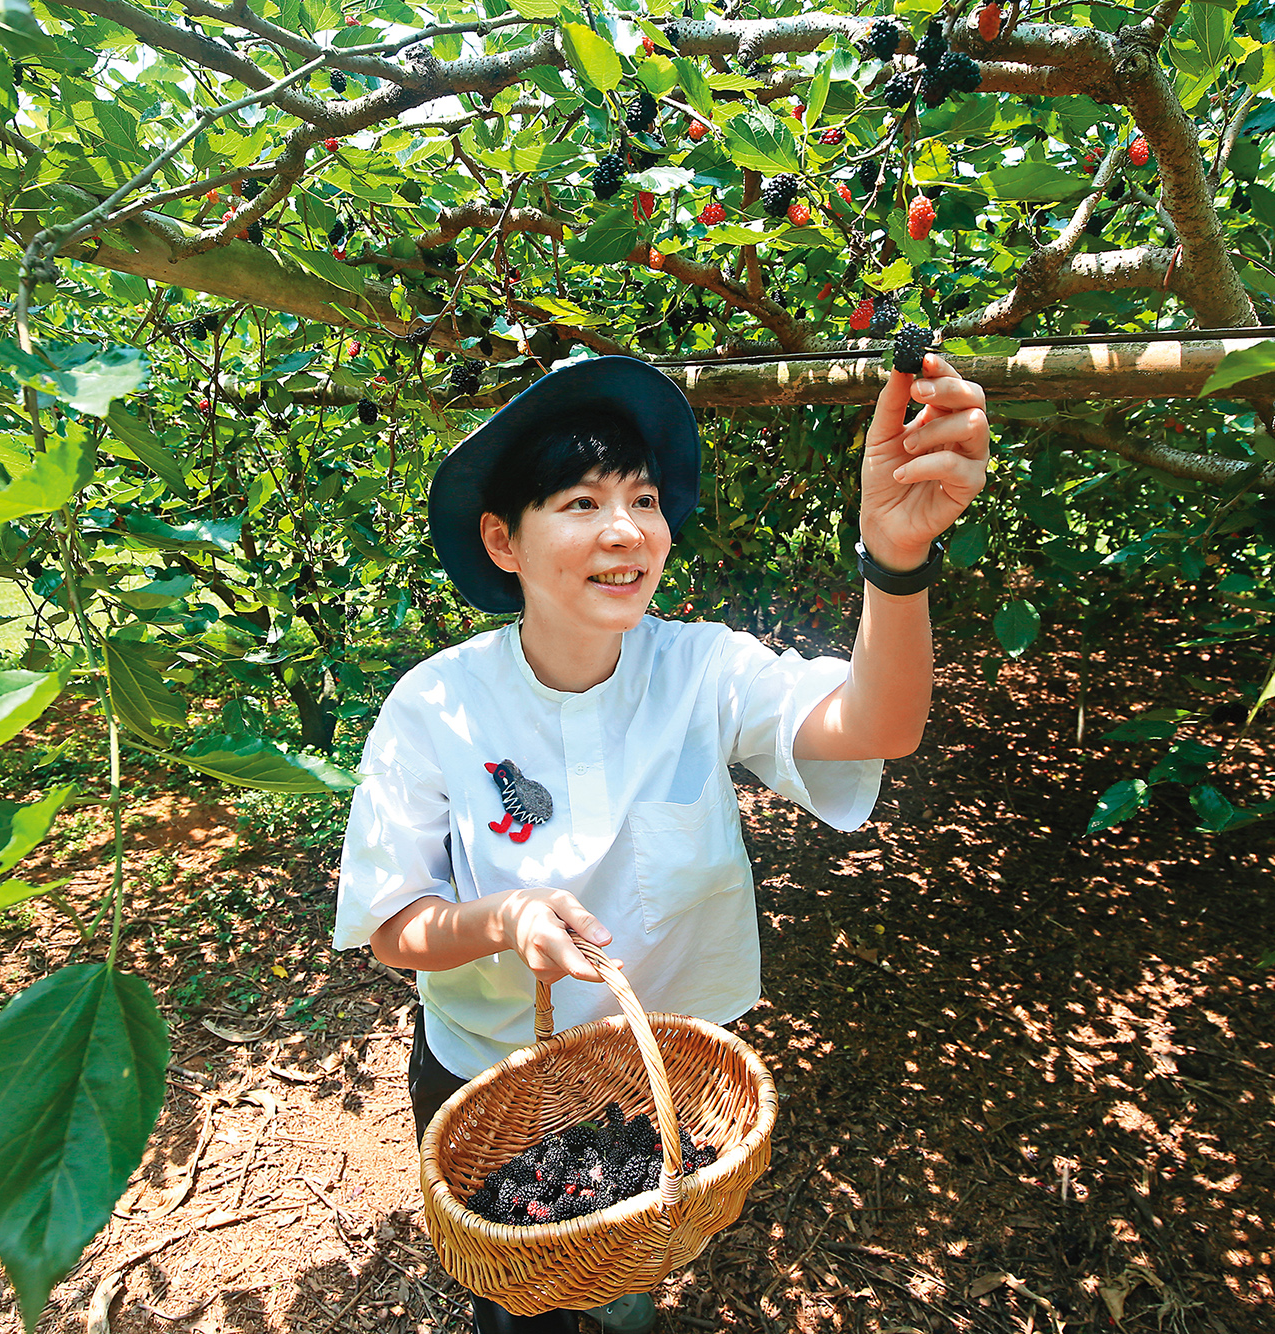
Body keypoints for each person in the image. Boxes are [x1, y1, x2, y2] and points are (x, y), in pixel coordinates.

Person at [333, 352, 989, 1333]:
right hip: (490, 1082)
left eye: (642, 498)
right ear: (500, 539)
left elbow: (875, 724)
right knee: (516, 1300)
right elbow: (394, 923)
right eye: (580, 500)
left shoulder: (702, 670)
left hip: (649, 1083)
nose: (626, 529)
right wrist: (503, 916)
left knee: (624, 1287)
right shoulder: (434, 707)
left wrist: (893, 560)